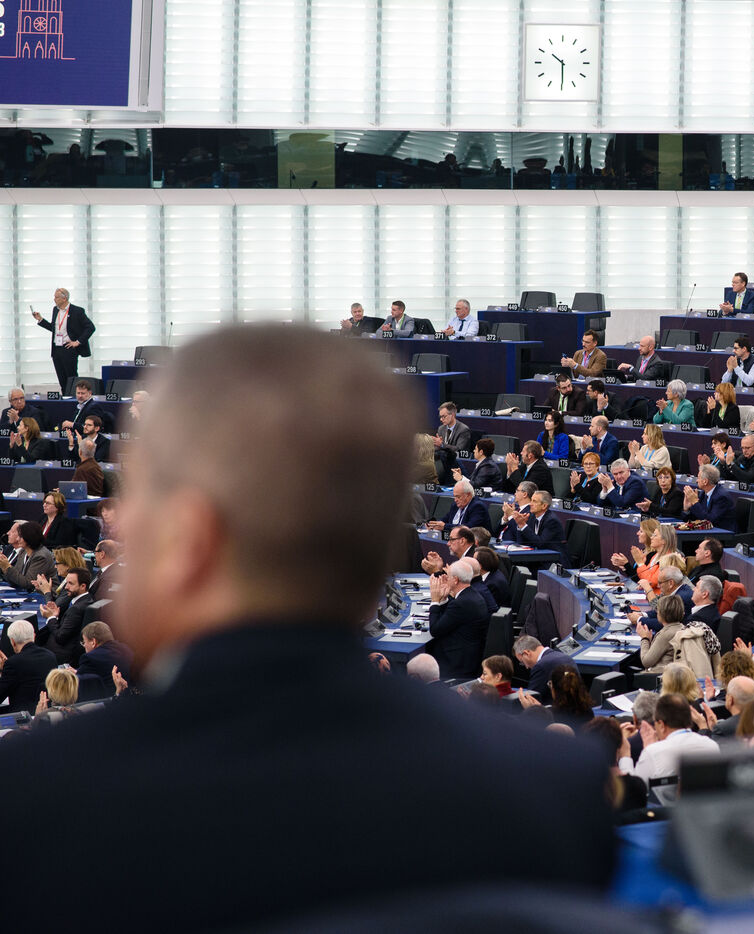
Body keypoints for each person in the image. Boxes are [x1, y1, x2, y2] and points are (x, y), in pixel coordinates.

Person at [0, 327, 619, 925]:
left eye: (134, 496)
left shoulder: (38, 805)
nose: (120, 522)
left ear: (189, 538)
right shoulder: (549, 792)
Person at [622, 692, 720, 783]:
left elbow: (635, 788)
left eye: (655, 723)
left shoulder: (652, 753)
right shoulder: (712, 745)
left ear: (661, 725)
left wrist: (625, 755)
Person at [427, 561, 490, 680]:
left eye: (448, 576)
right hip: (469, 656)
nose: (445, 578)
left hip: (457, 662)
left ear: (455, 580)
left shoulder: (462, 603)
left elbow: (435, 630)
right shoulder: (471, 595)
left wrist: (435, 601)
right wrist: (444, 599)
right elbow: (451, 618)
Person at [32, 288, 95, 390]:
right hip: (56, 348)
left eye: (56, 297)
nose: (54, 299)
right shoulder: (55, 310)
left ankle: (74, 396)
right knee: (62, 379)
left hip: (68, 348)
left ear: (64, 298)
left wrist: (78, 342)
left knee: (71, 378)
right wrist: (40, 319)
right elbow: (54, 328)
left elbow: (90, 327)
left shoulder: (77, 311)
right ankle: (65, 397)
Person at [74, 621, 134, 701]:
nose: (84, 646)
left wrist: (73, 675)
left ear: (93, 642)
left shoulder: (89, 658)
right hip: (130, 698)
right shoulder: (127, 650)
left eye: (84, 642)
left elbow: (80, 683)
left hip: (105, 703)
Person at [500, 490, 566, 552]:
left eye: (534, 501)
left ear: (544, 506)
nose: (530, 504)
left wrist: (523, 525)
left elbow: (541, 544)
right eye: (531, 500)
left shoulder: (551, 521)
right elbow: (522, 542)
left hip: (553, 557)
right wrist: (520, 525)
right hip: (536, 554)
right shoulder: (531, 516)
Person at [512, 634, 577, 697]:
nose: (527, 667)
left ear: (527, 653)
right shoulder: (566, 657)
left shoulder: (541, 667)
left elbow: (532, 698)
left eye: (522, 662)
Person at [682, 464, 735, 529]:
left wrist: (695, 502)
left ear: (705, 481)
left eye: (698, 478)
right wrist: (686, 509)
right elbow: (695, 518)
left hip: (723, 532)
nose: (696, 480)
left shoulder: (722, 497)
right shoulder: (703, 494)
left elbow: (709, 521)